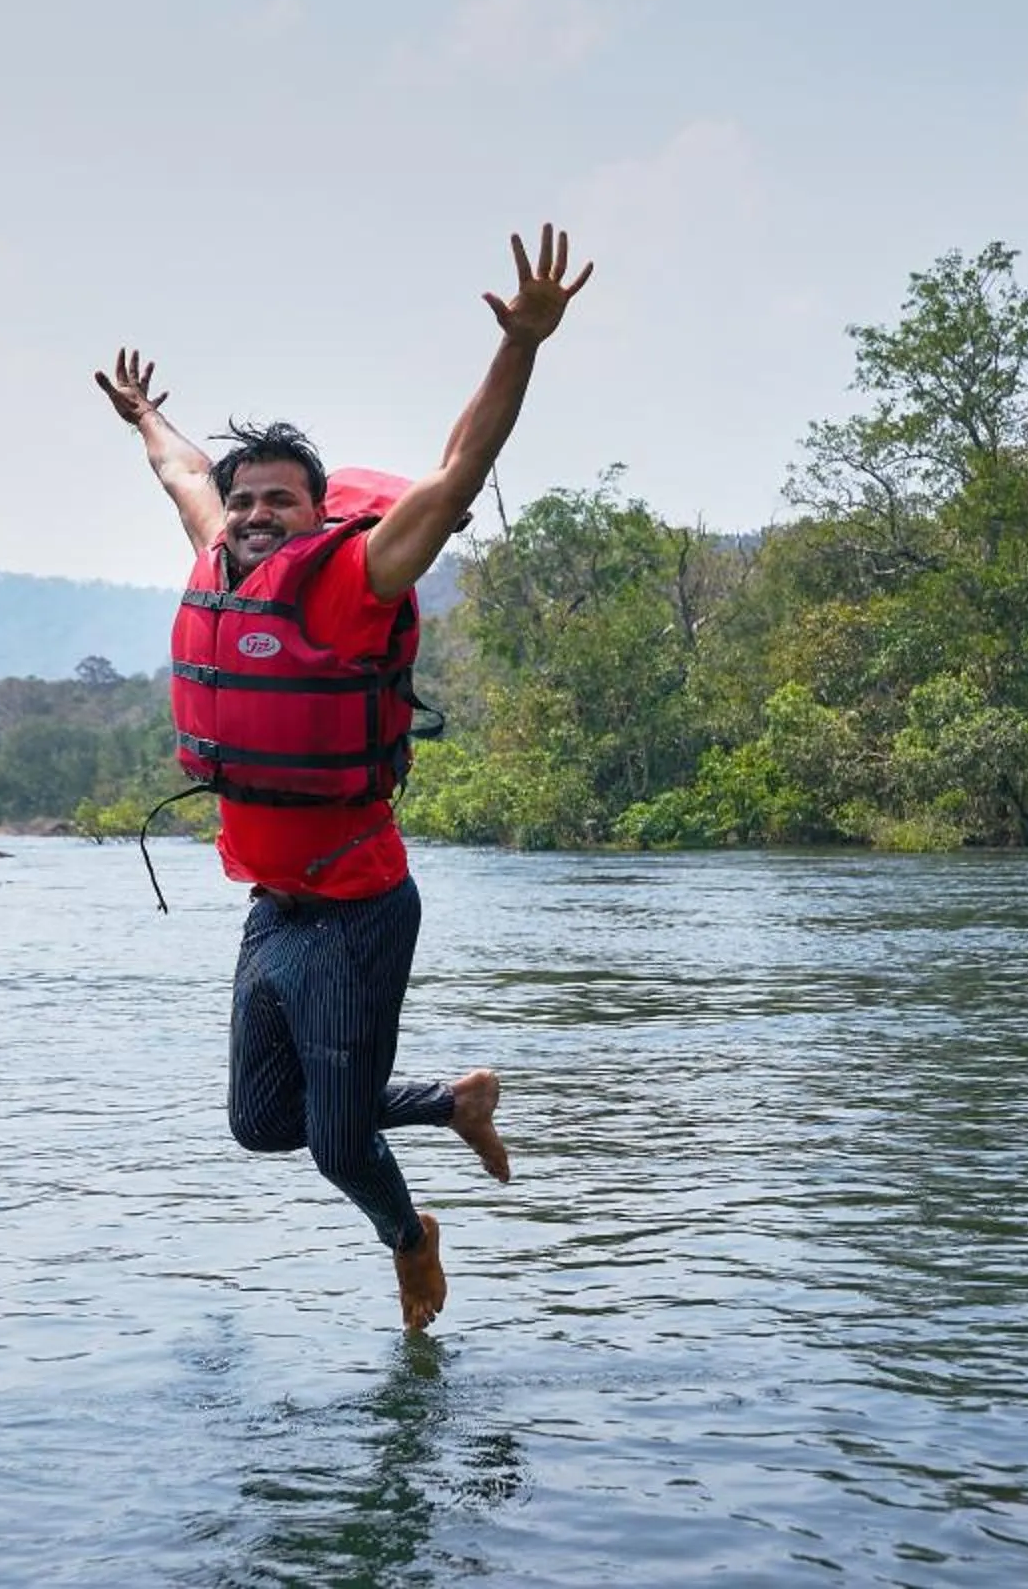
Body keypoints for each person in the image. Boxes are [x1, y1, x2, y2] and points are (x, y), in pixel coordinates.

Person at [95, 223, 593, 1332]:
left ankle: (411, 1242)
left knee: (333, 1140)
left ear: (321, 514)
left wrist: (522, 344)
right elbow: (180, 468)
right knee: (261, 1122)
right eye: (247, 500)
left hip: (360, 907)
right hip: (273, 908)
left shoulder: (351, 580)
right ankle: (455, 1098)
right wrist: (144, 418)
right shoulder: (215, 551)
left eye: (282, 500)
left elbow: (461, 465)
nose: (258, 513)